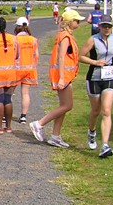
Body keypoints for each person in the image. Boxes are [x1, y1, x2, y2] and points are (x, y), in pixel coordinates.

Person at [29, 9, 85, 148]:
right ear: (70, 22)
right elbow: (61, 57)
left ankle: (55, 136)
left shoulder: (65, 35)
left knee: (63, 106)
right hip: (63, 76)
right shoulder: (65, 36)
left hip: (66, 76)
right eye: (76, 20)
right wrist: (61, 78)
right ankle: (40, 123)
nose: (78, 23)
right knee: (67, 105)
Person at [78, 14, 113, 158]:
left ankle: (105, 145)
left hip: (110, 77)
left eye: (109, 26)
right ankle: (91, 132)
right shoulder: (92, 40)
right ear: (99, 26)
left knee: (106, 111)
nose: (106, 29)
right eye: (104, 26)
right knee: (95, 110)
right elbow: (81, 56)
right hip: (94, 78)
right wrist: (95, 62)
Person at [14, 17, 39, 124]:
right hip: (29, 69)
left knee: (9, 92)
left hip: (17, 69)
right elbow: (36, 55)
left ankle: (6, 116)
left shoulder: (15, 39)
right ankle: (23, 116)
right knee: (25, 93)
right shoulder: (33, 39)